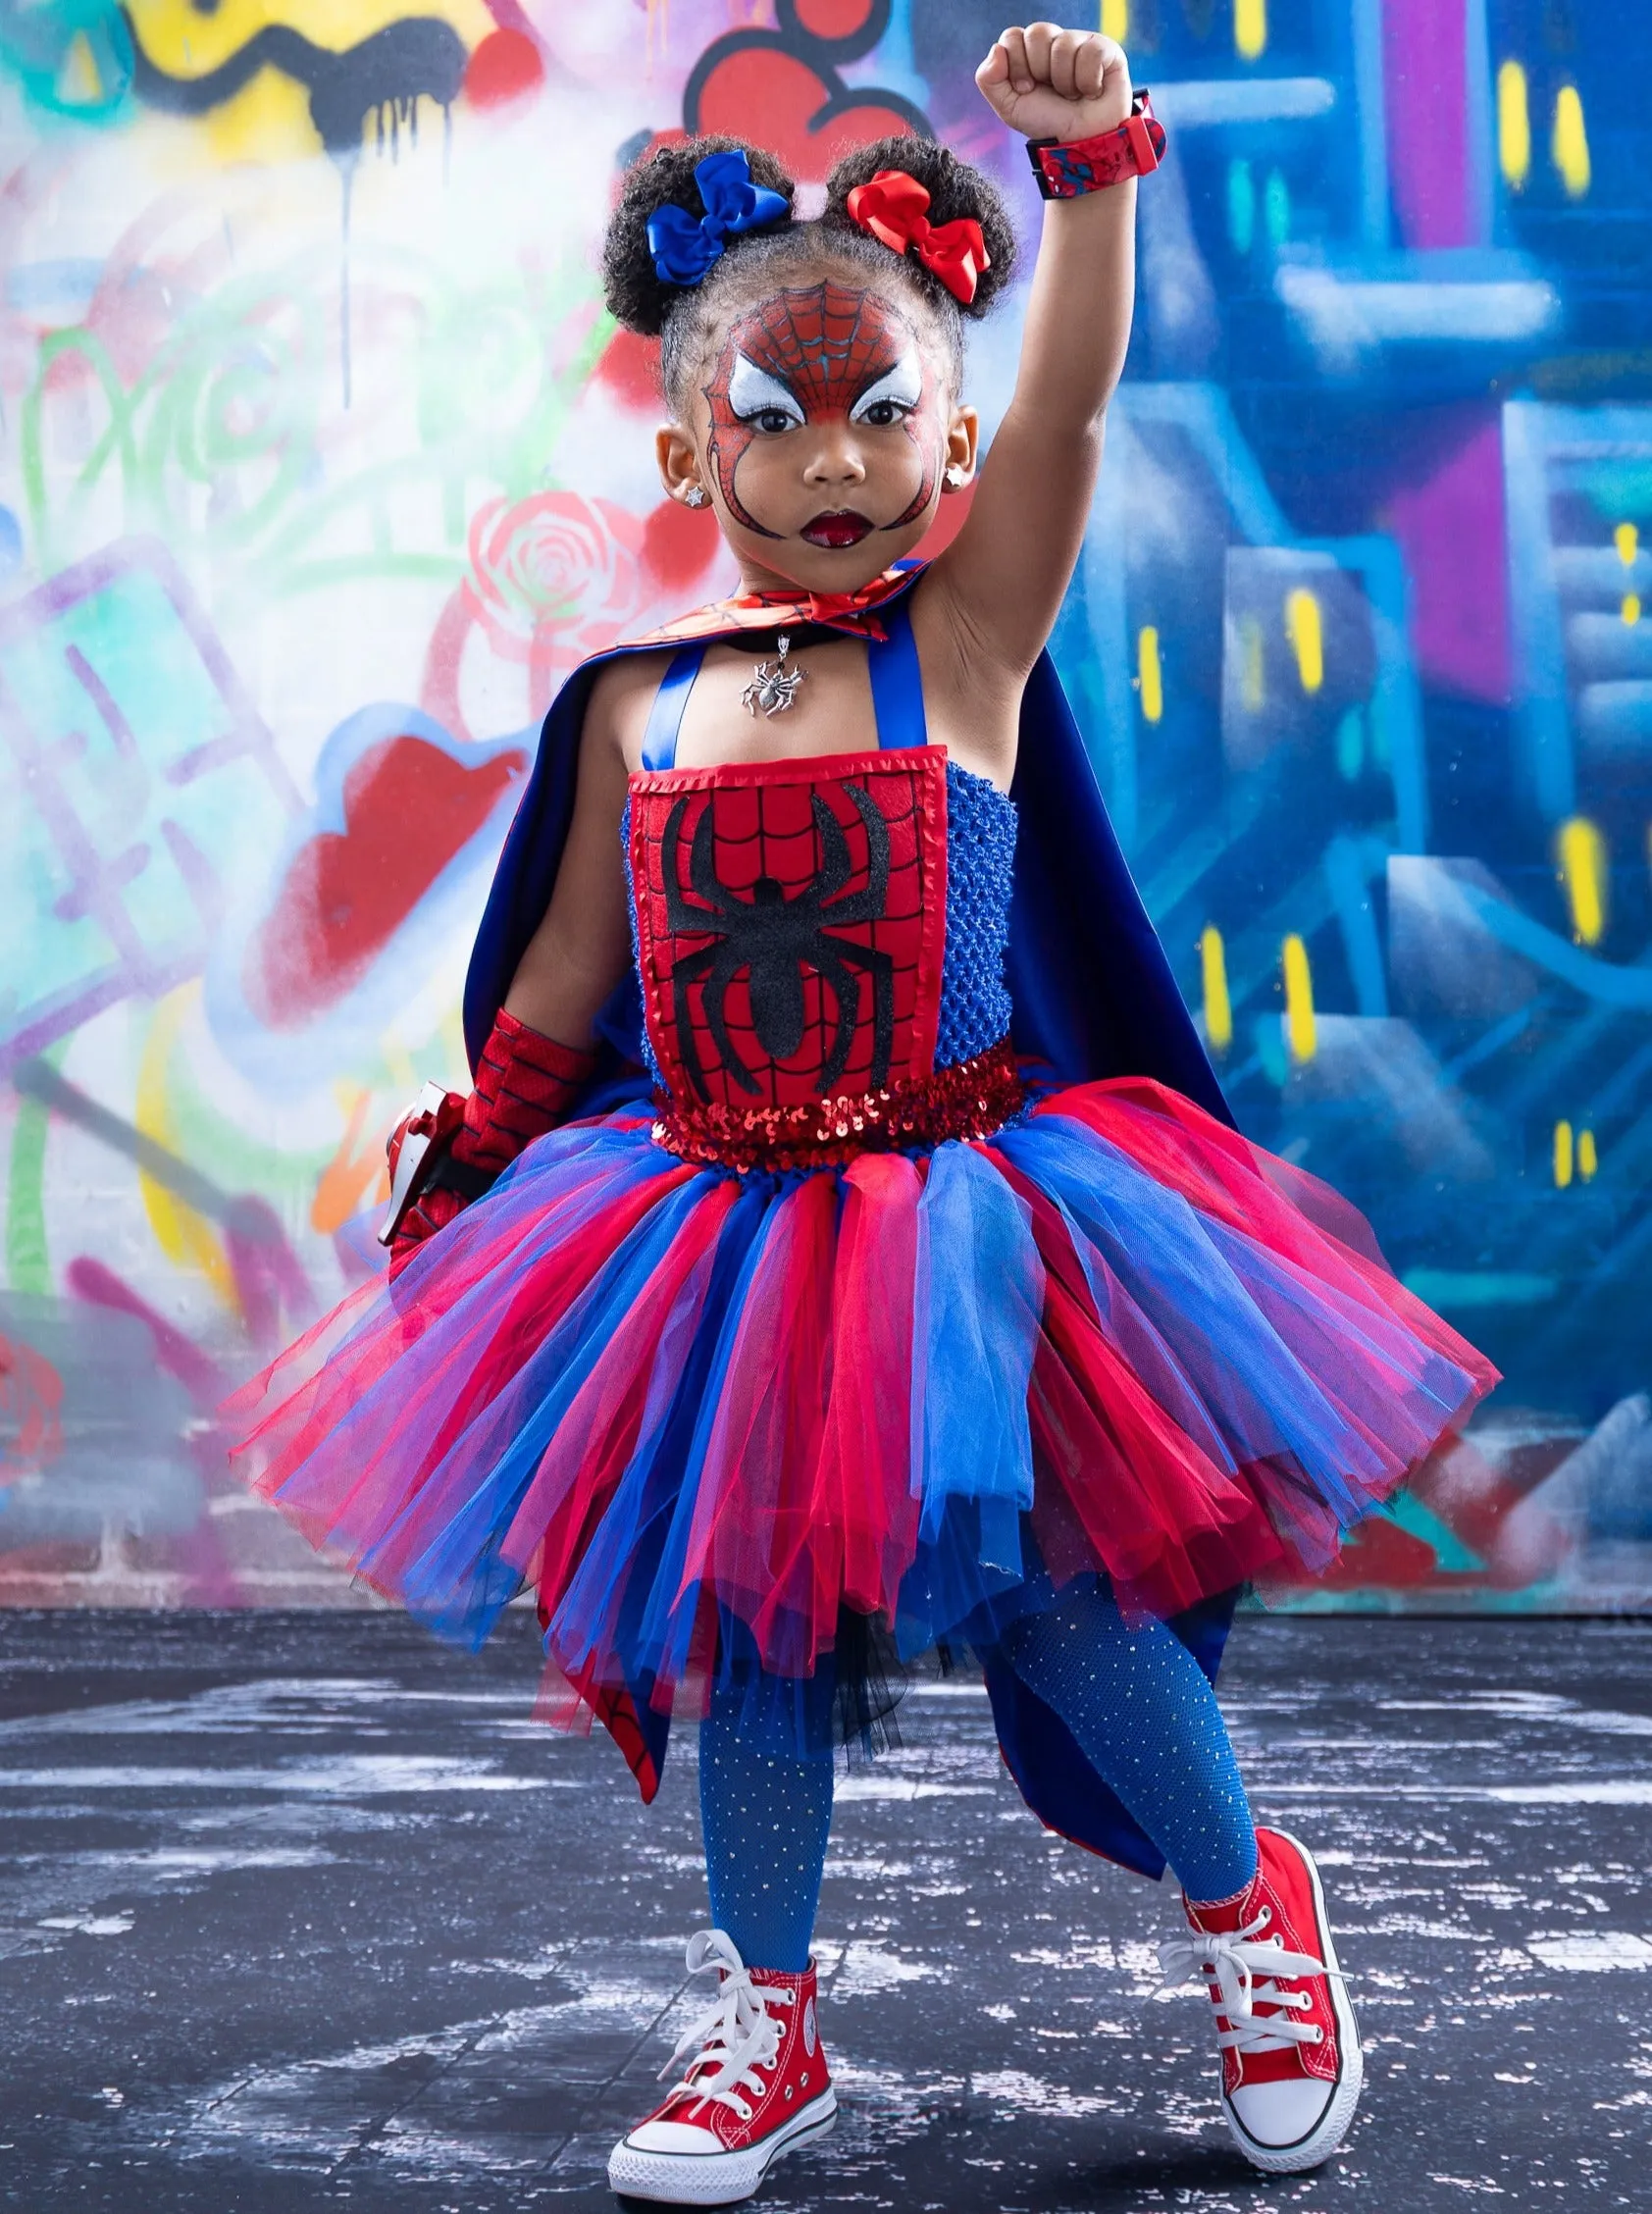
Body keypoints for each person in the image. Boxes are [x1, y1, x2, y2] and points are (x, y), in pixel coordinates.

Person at [230, 22, 1498, 2206]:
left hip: (972, 1222)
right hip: (704, 1228)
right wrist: (478, 1160)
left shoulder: (973, 640)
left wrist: (1087, 176)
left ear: (957, 436)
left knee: (1067, 1604)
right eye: (774, 418)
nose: (831, 462)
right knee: (753, 1643)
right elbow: (556, 987)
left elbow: (1088, 394)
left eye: (880, 409)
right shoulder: (640, 703)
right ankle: (765, 2026)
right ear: (680, 454)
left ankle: (1244, 1918)